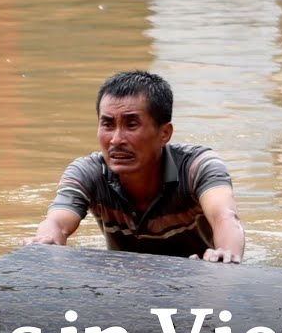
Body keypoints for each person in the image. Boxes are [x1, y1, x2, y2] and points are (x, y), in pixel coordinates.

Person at [29, 70, 245, 263]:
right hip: (126, 282)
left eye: (131, 124)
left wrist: (226, 255)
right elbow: (57, 222)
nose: (116, 140)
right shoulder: (88, 172)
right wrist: (45, 245)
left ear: (164, 133)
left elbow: (224, 216)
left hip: (197, 276)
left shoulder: (197, 166)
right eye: (107, 124)